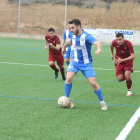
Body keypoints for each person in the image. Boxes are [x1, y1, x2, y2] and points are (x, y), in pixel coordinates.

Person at [62, 19, 107, 110]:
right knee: (69, 78)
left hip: (86, 63)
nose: (71, 30)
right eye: (70, 28)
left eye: (72, 28)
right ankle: (68, 100)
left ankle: (102, 103)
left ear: (78, 26)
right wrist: (64, 47)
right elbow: (70, 41)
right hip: (74, 61)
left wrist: (98, 49)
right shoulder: (72, 34)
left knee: (93, 83)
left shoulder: (86, 36)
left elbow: (97, 42)